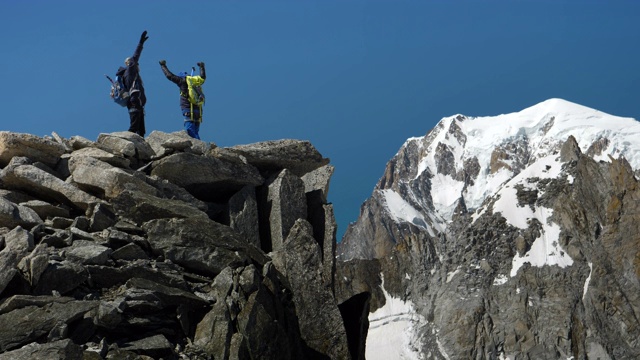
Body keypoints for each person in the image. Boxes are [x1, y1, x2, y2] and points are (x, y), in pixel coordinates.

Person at [159, 60, 206, 139]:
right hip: (198, 110)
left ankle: (197, 147)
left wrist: (163, 66)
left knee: (190, 130)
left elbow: (169, 76)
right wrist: (202, 67)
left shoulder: (182, 81)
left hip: (188, 109)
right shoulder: (195, 81)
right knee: (196, 130)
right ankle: (200, 146)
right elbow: (203, 77)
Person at [116, 31, 149, 137]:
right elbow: (135, 56)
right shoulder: (130, 71)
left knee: (141, 130)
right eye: (135, 63)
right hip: (134, 103)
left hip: (138, 105)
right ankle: (125, 146)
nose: (137, 65)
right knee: (134, 128)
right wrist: (141, 43)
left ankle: (139, 152)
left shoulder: (133, 74)